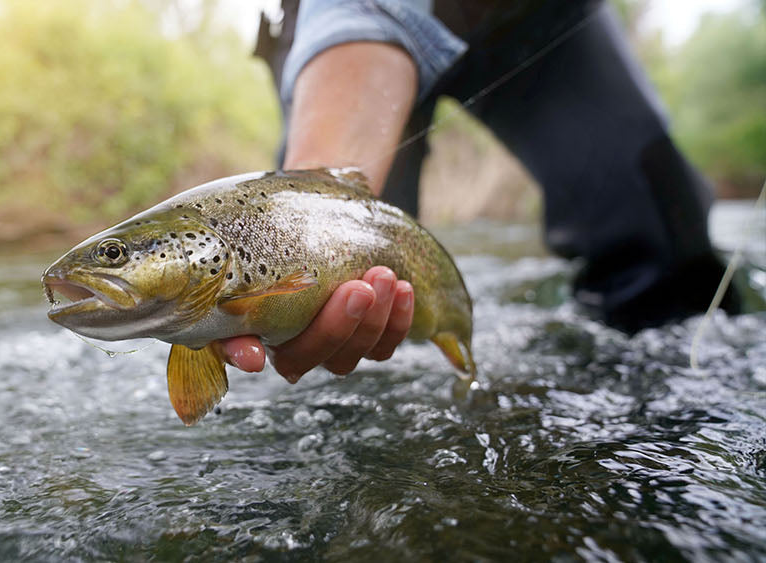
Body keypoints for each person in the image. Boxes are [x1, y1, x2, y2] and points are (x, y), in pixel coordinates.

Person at [213, 0, 743, 381]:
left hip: (536, 18)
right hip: (354, 23)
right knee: (320, 309)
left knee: (664, 248)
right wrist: (307, 211)